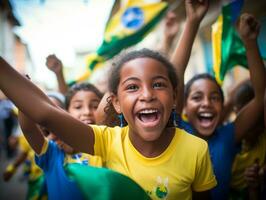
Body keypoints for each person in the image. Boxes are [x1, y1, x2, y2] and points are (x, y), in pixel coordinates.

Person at [0, 1, 217, 199]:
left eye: (158, 84)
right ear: (116, 103)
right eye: (132, 87)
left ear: (175, 96)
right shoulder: (108, 141)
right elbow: (45, 113)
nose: (147, 94)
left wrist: (191, 23)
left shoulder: (196, 149)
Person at [176, 13, 265, 200]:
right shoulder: (179, 130)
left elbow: (260, 96)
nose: (207, 103)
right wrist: (192, 21)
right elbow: (176, 77)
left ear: (223, 105)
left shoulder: (228, 135)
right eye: (197, 97)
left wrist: (249, 42)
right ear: (183, 107)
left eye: (214, 97)